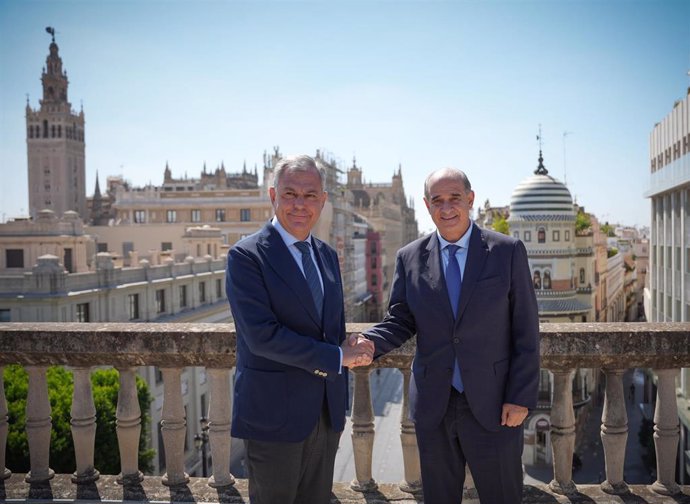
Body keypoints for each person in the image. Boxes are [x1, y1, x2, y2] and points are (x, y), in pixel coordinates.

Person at [361, 167, 540, 503]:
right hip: (435, 406)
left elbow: (526, 330)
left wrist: (520, 396)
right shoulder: (409, 258)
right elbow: (400, 319)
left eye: (454, 198)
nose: (446, 208)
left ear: (469, 199)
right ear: (427, 206)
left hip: (495, 404)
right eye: (437, 201)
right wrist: (369, 342)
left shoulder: (507, 251)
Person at [226, 154, 374, 504]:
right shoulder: (246, 256)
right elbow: (261, 336)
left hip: (325, 415)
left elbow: (328, 326)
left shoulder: (325, 254)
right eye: (290, 193)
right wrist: (338, 356)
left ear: (323, 201)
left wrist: (347, 341)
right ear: (273, 196)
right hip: (274, 419)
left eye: (310, 195)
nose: (300, 204)